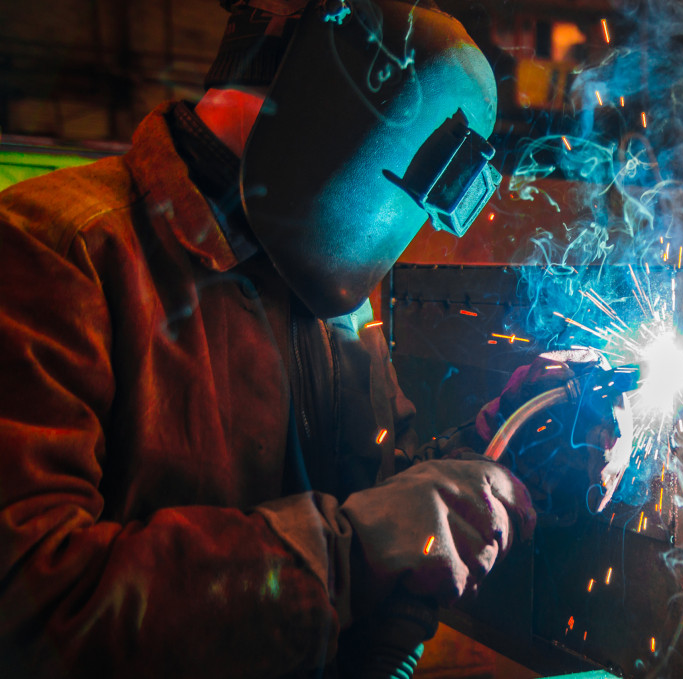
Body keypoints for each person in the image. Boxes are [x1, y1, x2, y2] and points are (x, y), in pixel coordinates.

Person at [0, 1, 598, 676]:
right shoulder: (51, 250)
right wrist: (349, 553)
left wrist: (503, 444)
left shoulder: (327, 287)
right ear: (341, 80)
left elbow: (373, 493)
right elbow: (30, 609)